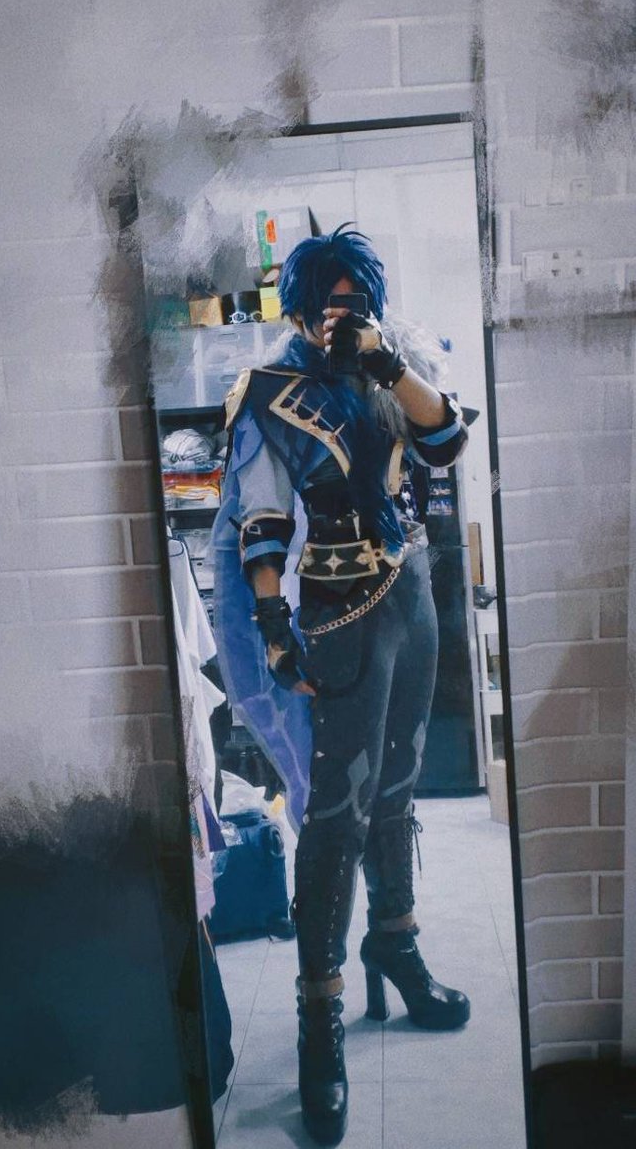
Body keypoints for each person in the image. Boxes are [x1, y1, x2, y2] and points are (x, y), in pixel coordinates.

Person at [211, 225, 470, 1146]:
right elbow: (260, 518)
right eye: (325, 302)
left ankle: (393, 944)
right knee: (334, 814)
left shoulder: (396, 362)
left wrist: (383, 360)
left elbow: (445, 444)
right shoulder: (268, 391)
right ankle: (318, 1016)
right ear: (296, 309)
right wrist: (273, 628)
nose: (339, 315)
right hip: (330, 614)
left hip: (412, 601)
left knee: (399, 789)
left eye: (353, 298)